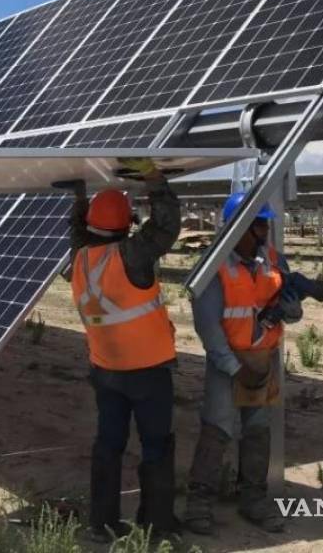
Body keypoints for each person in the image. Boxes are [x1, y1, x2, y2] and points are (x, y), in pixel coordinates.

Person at [59, 164, 182, 542]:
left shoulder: (79, 258)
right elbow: (165, 229)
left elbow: (78, 231)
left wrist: (81, 200)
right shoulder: (130, 254)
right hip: (147, 371)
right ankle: (157, 527)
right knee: (157, 446)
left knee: (108, 446)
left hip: (106, 370)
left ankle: (103, 524)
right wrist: (154, 180)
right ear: (125, 225)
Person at [185, 191, 290, 535]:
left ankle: (254, 501)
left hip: (263, 360)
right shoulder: (213, 267)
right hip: (228, 363)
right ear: (237, 227)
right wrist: (233, 367)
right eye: (257, 225)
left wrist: (290, 307)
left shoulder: (271, 260)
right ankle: (198, 507)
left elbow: (291, 306)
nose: (263, 232)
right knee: (217, 431)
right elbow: (208, 327)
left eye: (264, 225)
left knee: (258, 432)